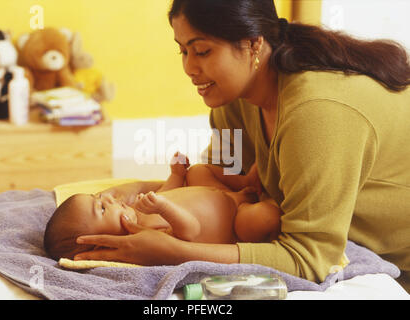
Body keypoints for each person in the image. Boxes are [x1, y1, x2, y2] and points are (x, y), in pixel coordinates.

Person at [73, 0, 410, 292]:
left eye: (202, 50)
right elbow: (221, 179)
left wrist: (171, 251)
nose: (189, 68)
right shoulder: (232, 98)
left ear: (253, 44)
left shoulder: (316, 113)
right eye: (183, 50)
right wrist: (136, 193)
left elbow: (309, 259)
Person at [44, 152, 281, 260]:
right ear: (102, 242)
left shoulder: (138, 209)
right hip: (236, 220)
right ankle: (268, 199)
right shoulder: (149, 237)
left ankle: (244, 182)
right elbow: (190, 230)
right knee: (266, 216)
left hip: (225, 194)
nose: (108, 199)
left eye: (98, 198)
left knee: (198, 170)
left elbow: (171, 191)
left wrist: (176, 174)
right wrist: (163, 207)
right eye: (102, 209)